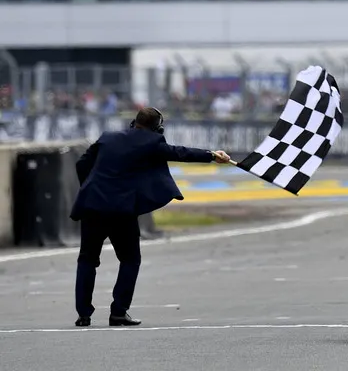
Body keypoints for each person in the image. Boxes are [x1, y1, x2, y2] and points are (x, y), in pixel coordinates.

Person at [70, 107, 233, 328]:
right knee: (130, 260)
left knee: (87, 260)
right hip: (121, 211)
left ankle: (83, 315)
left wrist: (91, 188)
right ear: (158, 128)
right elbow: (180, 153)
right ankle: (118, 312)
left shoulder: (108, 137)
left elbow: (81, 164)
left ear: (133, 122)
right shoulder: (152, 142)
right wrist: (212, 155)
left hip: (92, 206)